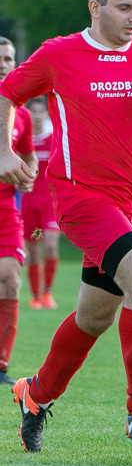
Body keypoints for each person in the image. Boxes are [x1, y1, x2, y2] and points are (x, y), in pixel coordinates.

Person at [0, 0, 132, 454]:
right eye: (125, 8)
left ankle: (35, 395)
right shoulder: (58, 53)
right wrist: (4, 152)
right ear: (96, 7)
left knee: (95, 317)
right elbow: (6, 93)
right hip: (81, 197)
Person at [0, 36, 37, 386]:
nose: (2, 64)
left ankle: (1, 365)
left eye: (8, 59)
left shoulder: (22, 114)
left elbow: (27, 155)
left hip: (6, 210)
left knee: (10, 280)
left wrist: (29, 174)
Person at [21, 96, 61, 309]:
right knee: (34, 250)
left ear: (46, 114)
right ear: (27, 115)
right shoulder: (22, 142)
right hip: (30, 205)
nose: (36, 117)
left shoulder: (53, 138)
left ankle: (47, 293)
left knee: (51, 245)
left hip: (51, 206)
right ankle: (35, 295)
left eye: (40, 112)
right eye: (33, 112)